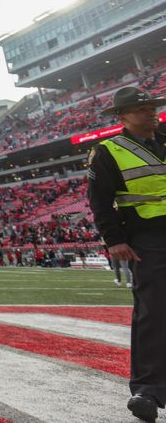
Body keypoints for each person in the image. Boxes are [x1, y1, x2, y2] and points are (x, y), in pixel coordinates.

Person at [87, 87, 166, 422]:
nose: (149, 112)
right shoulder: (107, 151)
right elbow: (99, 201)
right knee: (155, 309)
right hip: (147, 235)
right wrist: (113, 239)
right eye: (140, 108)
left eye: (151, 107)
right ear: (121, 116)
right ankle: (147, 389)